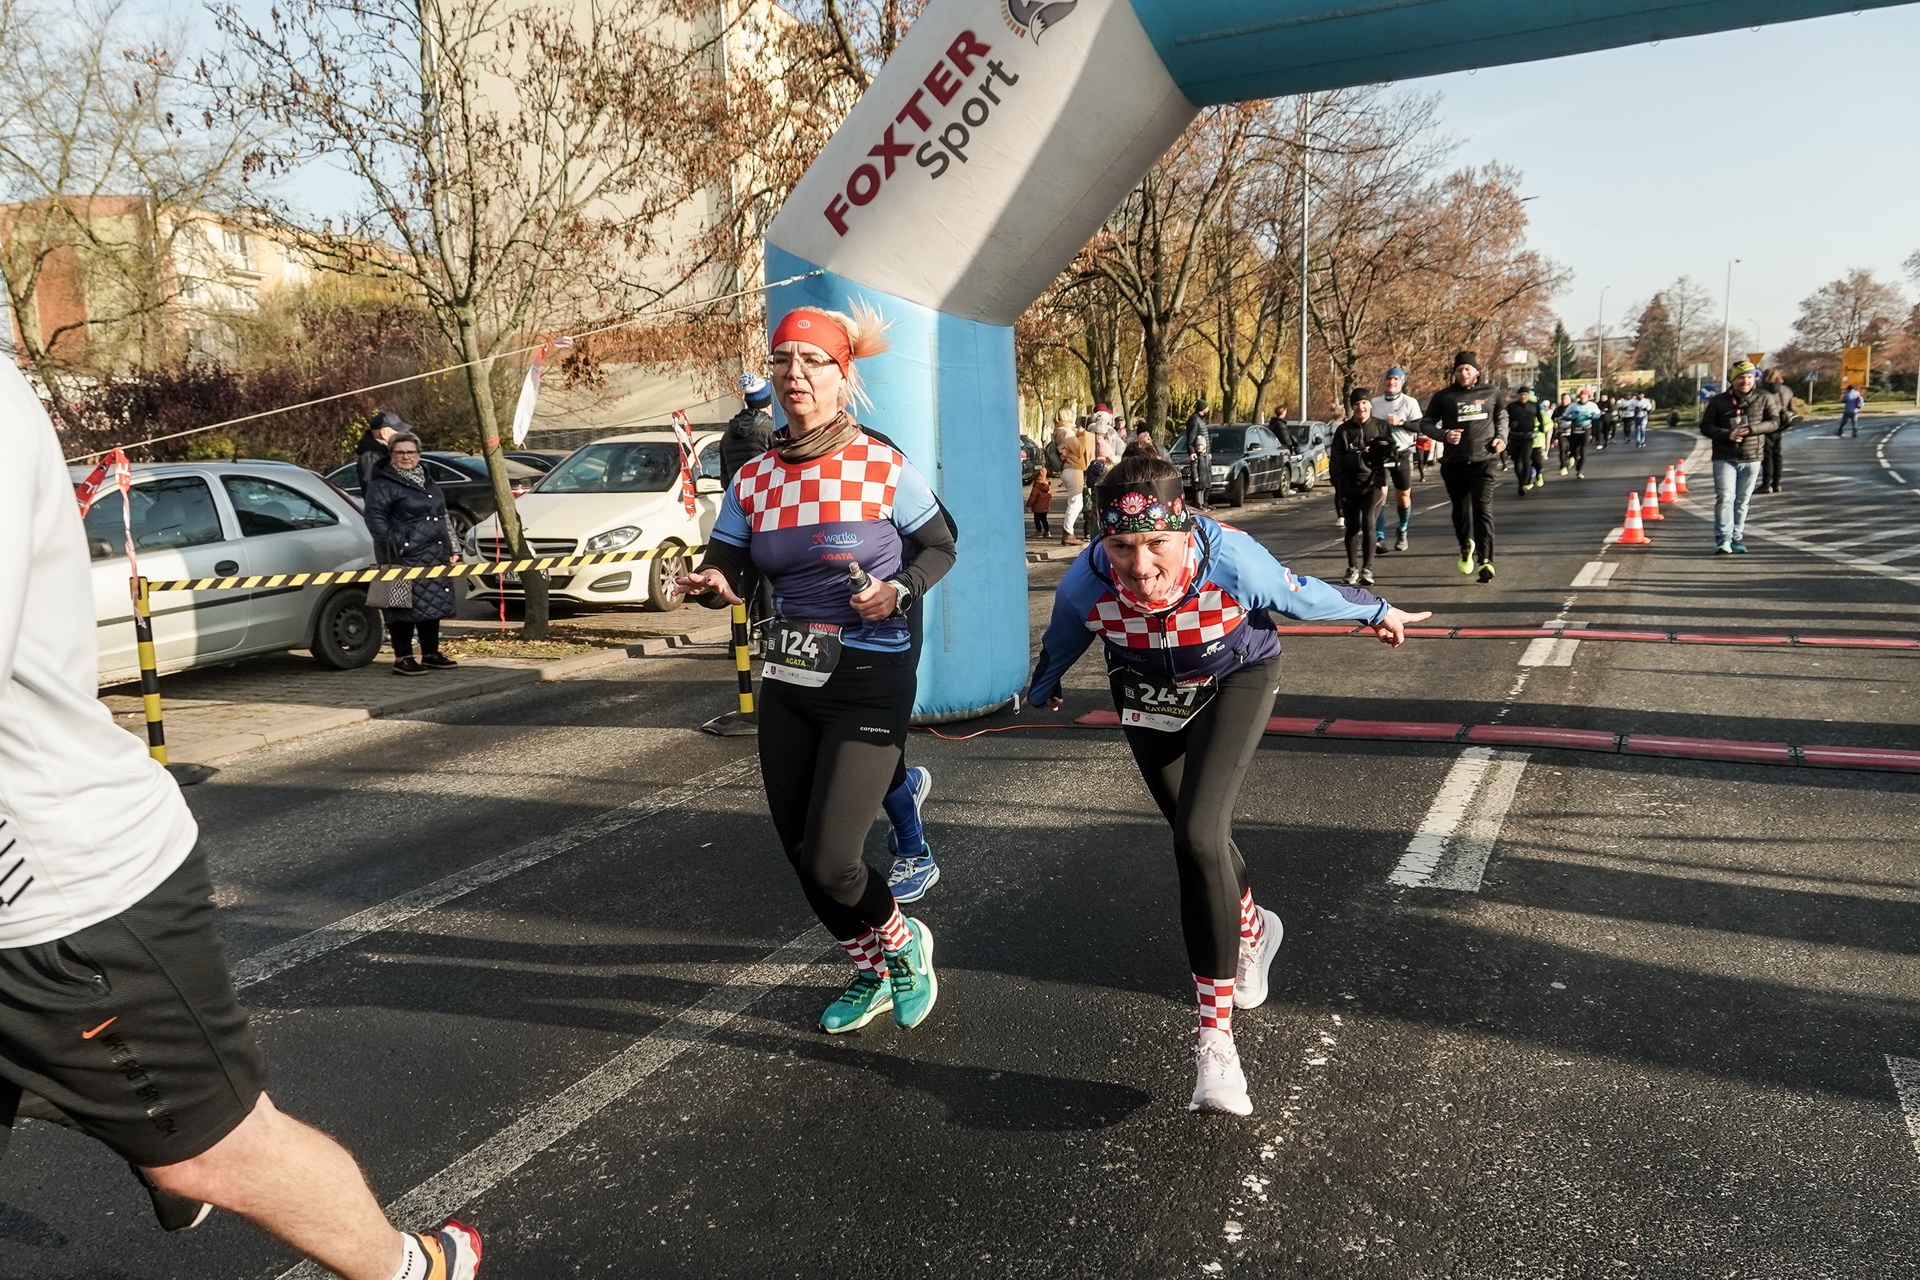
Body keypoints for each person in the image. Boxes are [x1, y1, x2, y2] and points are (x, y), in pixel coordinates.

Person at [1, 364, 483, 1279]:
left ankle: (417, 1267)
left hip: (60, 894)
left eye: (405, 443)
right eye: (396, 442)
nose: (403, 449)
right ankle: (98, 1105)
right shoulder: (383, 475)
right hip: (38, 895)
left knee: (215, 1151)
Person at [1026, 454, 1430, 1114]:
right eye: (1122, 547)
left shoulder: (1235, 562)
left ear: (1185, 529)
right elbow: (1064, 637)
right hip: (1147, 690)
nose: (1140, 566)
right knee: (1200, 839)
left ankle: (1215, 1044)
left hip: (1234, 678)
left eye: (1156, 543)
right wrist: (1043, 687)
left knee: (1197, 836)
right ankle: (1254, 928)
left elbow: (1305, 596)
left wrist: (1377, 610)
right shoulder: (1084, 583)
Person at [675, 304, 954, 1034]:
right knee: (802, 854)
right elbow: (730, 561)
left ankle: (904, 945)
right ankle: (872, 969)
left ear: (842, 375)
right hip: (790, 680)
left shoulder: (879, 464)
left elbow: (942, 544)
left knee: (834, 861)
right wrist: (713, 582)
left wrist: (900, 590)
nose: (794, 374)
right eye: (782, 360)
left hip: (869, 678)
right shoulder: (754, 479)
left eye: (812, 361)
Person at [363, 432, 460, 676]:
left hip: (434, 552)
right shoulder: (381, 484)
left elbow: (442, 515)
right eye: (400, 452)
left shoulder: (428, 480)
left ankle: (431, 653)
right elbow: (374, 518)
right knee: (399, 607)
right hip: (399, 555)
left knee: (432, 602)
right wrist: (398, 544)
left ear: (419, 454)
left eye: (411, 452)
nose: (406, 457)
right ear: (391, 455)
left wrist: (453, 547)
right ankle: (402, 657)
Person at [1422, 351, 1508, 583]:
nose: (1463, 373)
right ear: (1455, 372)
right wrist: (1444, 434)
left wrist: (1501, 438)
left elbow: (1502, 417)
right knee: (1461, 511)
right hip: (1454, 463)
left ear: (1476, 371)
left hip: (1484, 461)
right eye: (1459, 369)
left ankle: (1486, 561)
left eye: (1468, 369)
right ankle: (1465, 544)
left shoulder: (1492, 392)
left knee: (1482, 509)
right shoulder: (1444, 396)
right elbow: (1426, 424)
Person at [1700, 359, 1782, 555]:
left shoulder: (1763, 397)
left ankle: (1736, 537)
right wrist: (1726, 434)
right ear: (1733, 380)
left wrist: (1753, 429)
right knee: (1725, 498)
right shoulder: (1718, 401)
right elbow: (1706, 426)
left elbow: (1774, 422)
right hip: (1724, 456)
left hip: (1752, 456)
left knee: (1742, 501)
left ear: (1754, 379)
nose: (1745, 381)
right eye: (1741, 378)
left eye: (1749, 377)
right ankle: (1723, 539)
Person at [1331, 388, 1394, 585]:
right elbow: (1336, 459)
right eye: (1357, 404)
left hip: (1374, 484)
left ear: (1370, 405)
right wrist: (1359, 455)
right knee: (1352, 526)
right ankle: (1352, 568)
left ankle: (1367, 569)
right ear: (1352, 407)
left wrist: (1384, 480)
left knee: (1368, 522)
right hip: (1350, 484)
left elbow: (1391, 454)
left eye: (1364, 403)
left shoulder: (1380, 426)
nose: (1361, 407)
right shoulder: (1343, 430)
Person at [1370, 367, 1424, 552]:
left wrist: (1400, 422)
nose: (1392, 382)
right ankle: (1380, 536)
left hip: (1402, 453)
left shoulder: (1409, 402)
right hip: (1381, 455)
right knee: (1380, 495)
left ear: (1402, 382)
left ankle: (1402, 529)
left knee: (1403, 496)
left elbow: (1420, 426)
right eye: (1389, 379)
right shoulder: (1375, 403)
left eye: (1396, 379)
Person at [719, 372, 777, 487]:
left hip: (738, 495)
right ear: (768, 404)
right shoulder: (771, 429)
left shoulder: (727, 434)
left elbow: (725, 480)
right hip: (765, 493)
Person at [1058, 416, 1095, 544]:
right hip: (1074, 468)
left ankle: (1068, 532)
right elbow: (1079, 450)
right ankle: (1068, 533)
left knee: (1074, 502)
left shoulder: (1058, 431)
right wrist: (1082, 436)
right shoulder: (1067, 433)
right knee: (1075, 503)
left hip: (1067, 468)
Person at [1508, 387, 1550, 495]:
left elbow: (1540, 418)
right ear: (1518, 396)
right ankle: (1521, 482)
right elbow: (1505, 419)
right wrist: (1509, 426)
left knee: (1526, 461)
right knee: (1517, 462)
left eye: (1525, 395)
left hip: (1528, 437)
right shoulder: (1512, 406)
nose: (1523, 397)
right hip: (1514, 437)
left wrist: (1541, 428)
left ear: (1528, 395)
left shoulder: (1534, 405)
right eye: (1521, 395)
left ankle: (1524, 483)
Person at [355, 409, 408, 490]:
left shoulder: (384, 453)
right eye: (397, 430)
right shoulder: (371, 457)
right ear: (384, 433)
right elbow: (375, 489)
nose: (400, 435)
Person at [1759, 369, 1794, 493]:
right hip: (1781, 424)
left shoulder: (1761, 391)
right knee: (1777, 454)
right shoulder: (1787, 390)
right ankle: (1777, 484)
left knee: (1767, 455)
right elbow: (1792, 408)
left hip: (1766, 424)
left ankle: (1766, 484)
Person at [1558, 388, 1601, 478]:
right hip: (1575, 429)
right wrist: (1572, 418)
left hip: (1586, 429)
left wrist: (1593, 416)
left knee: (1583, 450)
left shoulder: (1592, 405)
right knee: (1574, 450)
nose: (1583, 397)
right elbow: (1564, 416)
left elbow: (1598, 414)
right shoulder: (1573, 406)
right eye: (1581, 396)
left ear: (1588, 397)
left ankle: (1580, 470)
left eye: (1585, 396)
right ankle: (1574, 459)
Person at [1181, 400, 1212, 512]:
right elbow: (1191, 436)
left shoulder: (1201, 419)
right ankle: (1198, 503)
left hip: (1204, 453)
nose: (1208, 409)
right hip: (1198, 454)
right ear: (1203, 408)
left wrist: (1208, 451)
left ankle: (1205, 503)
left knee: (1206, 479)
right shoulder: (1195, 419)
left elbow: (1205, 438)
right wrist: (1191, 451)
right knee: (1199, 481)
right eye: (1207, 407)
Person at [1029, 466, 1054, 538]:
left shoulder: (1036, 488)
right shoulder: (1047, 487)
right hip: (1045, 507)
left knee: (1037, 519)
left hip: (1037, 507)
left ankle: (1038, 531)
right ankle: (1047, 531)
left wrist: (1028, 504)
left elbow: (1032, 497)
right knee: (1044, 519)